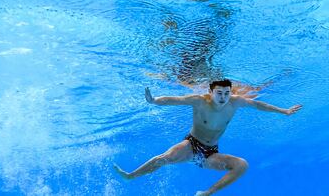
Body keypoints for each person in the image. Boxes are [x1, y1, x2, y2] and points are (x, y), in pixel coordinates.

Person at [114, 79, 302, 196]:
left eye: (226, 93)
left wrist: (283, 111)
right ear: (211, 92)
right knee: (164, 159)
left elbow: (259, 105)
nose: (223, 97)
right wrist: (154, 101)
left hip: (211, 153)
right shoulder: (200, 101)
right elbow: (174, 100)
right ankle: (131, 176)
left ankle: (207, 193)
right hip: (191, 145)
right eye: (219, 93)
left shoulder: (235, 102)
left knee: (242, 165)